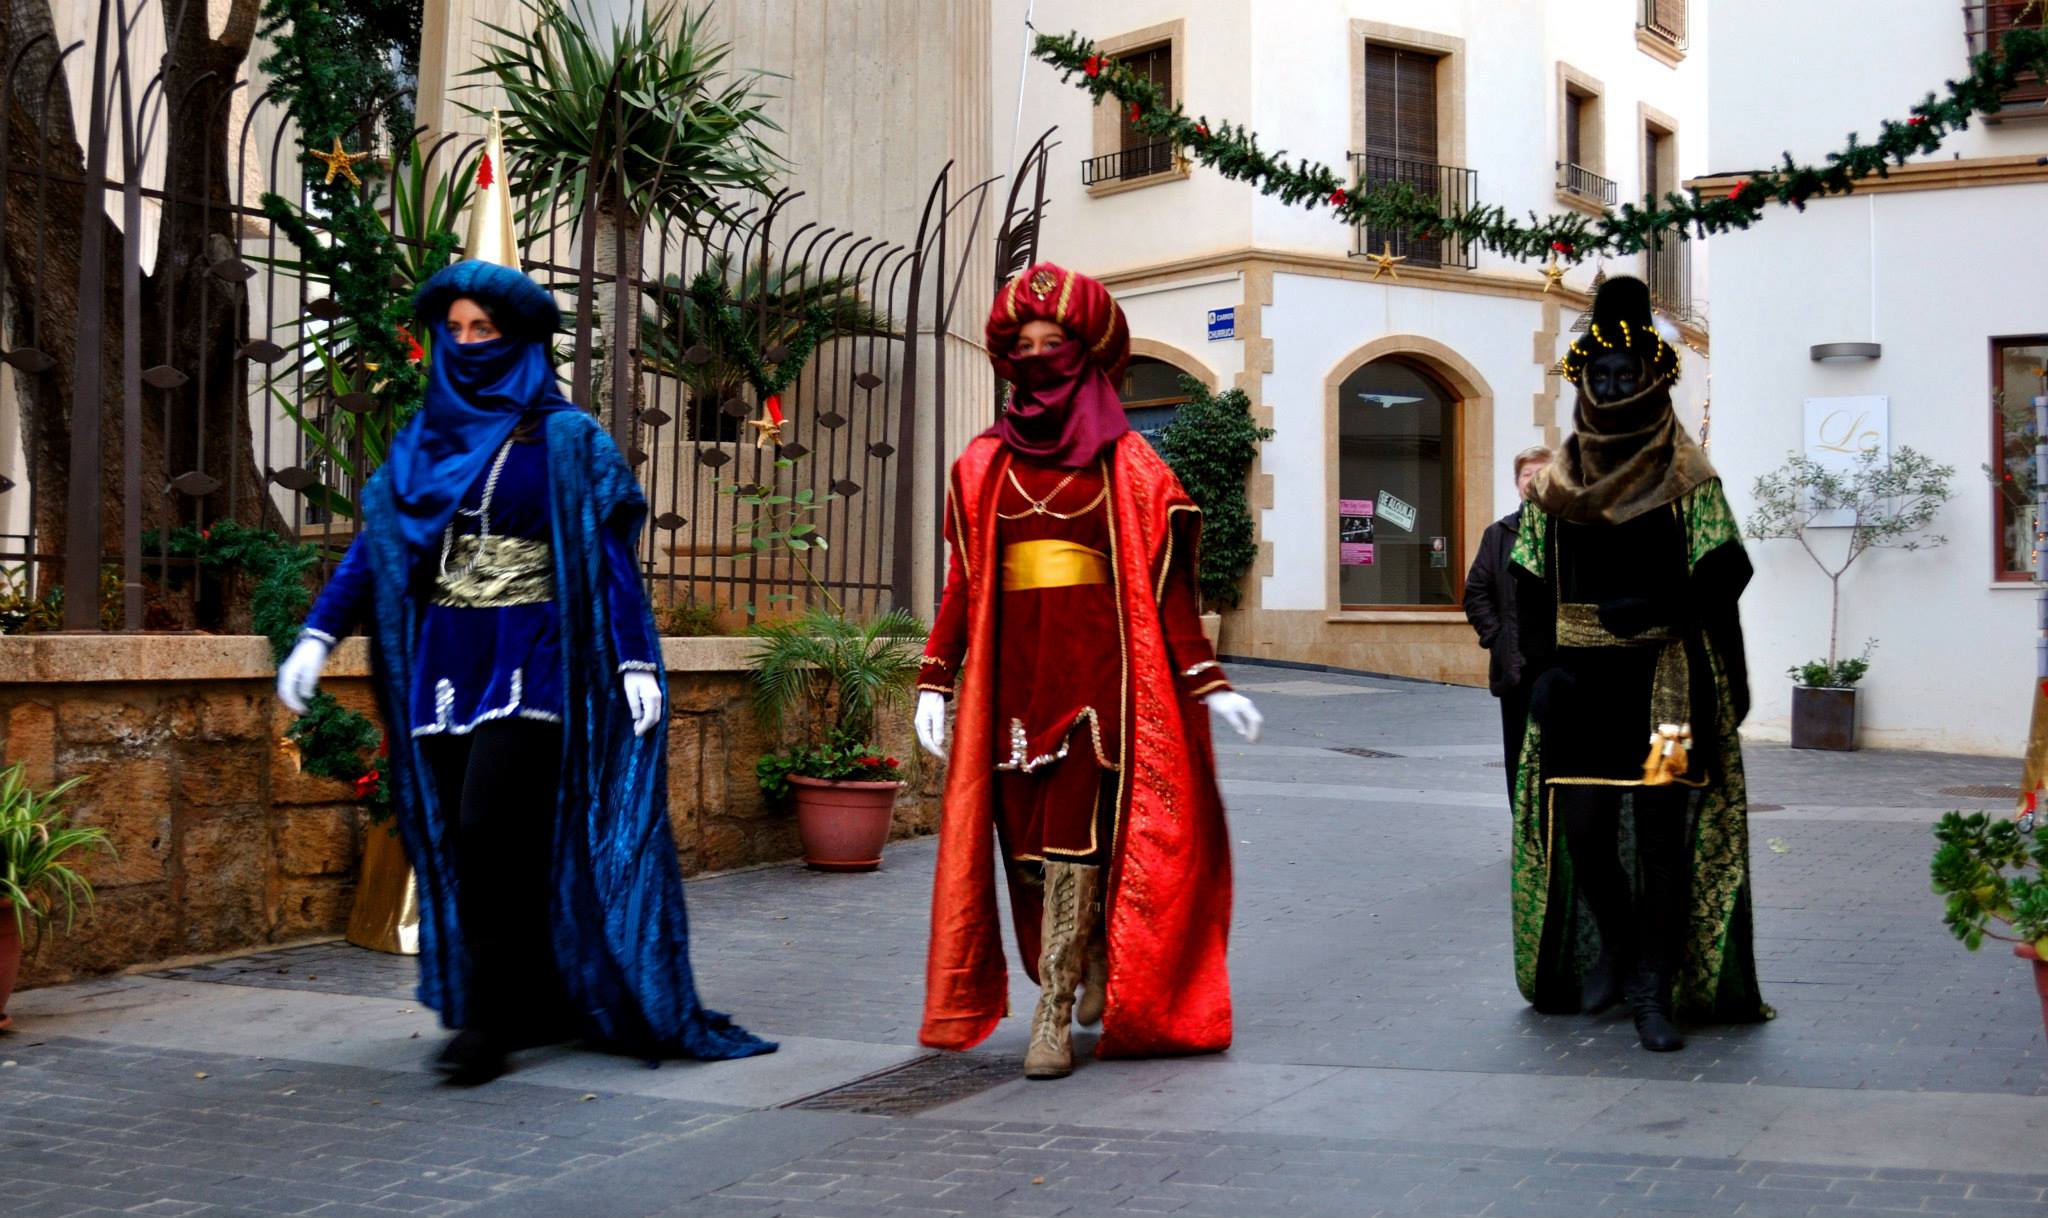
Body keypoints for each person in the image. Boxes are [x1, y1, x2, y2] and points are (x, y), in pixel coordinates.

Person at [274, 125, 773, 1084]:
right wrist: (316, 630)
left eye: (484, 330)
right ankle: (539, 989)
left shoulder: (568, 440)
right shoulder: (420, 443)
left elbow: (610, 562)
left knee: (487, 826)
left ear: (518, 338)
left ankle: (492, 1023)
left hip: (535, 655)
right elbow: (380, 551)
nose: (467, 344)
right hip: (445, 664)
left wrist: (633, 659)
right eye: (453, 329)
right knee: (468, 832)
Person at [913, 263, 1263, 1080]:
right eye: (1023, 346)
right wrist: (935, 679)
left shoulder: (1133, 468)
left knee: (1076, 838)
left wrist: (1209, 682)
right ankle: (1090, 959)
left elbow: (1166, 594)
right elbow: (965, 583)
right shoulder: (980, 466)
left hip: (1100, 683)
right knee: (1028, 851)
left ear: (1086, 353)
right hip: (1009, 684)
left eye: (1055, 344)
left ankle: (1054, 1013)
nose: (1038, 359)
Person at [1509, 276, 1766, 1053]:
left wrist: (1659, 606)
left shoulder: (1687, 476)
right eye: (1601, 374)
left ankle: (1655, 988)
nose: (1614, 385)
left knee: (1660, 841)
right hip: (1581, 683)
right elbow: (1526, 578)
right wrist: (1540, 668)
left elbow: (1728, 570)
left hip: (1664, 681)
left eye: (1628, 373)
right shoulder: (1557, 482)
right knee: (1585, 832)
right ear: (1583, 380)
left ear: (1654, 379)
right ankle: (1617, 944)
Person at [1464, 445, 1552, 795]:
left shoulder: (1572, 532)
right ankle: (1523, 836)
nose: (1533, 481)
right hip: (1516, 665)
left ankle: (1555, 836)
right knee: (1518, 755)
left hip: (1561, 665)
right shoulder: (1499, 534)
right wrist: (1496, 637)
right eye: (1527, 474)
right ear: (1517, 484)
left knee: (1559, 755)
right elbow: (1476, 591)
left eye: (1543, 474)